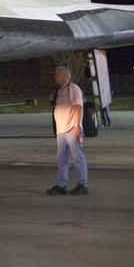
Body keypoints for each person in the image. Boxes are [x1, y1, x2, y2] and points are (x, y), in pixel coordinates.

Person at [46, 65, 89, 195]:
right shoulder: (60, 91)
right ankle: (61, 184)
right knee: (62, 158)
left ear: (65, 75)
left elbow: (77, 107)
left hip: (71, 128)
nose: (55, 77)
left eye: (57, 74)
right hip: (62, 130)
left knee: (77, 157)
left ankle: (83, 184)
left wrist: (76, 125)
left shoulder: (73, 88)